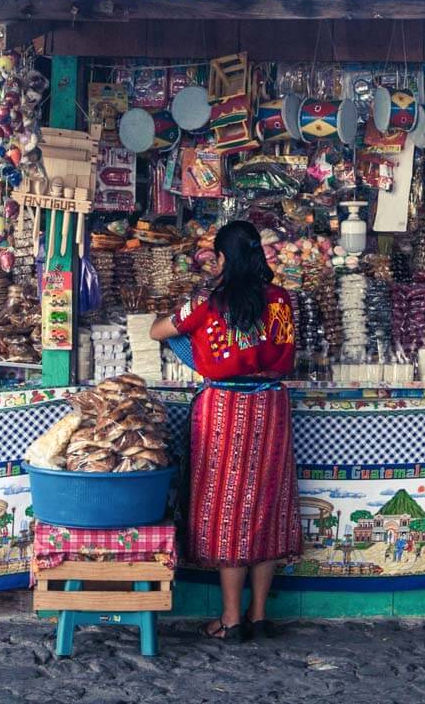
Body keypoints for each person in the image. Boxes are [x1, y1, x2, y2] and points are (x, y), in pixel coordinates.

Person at [150, 220, 300, 643]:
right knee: (267, 505)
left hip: (226, 409)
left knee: (228, 508)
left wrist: (194, 345)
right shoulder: (280, 300)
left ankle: (230, 619)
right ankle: (258, 615)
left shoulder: (208, 301)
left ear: (223, 257)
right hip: (270, 406)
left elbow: (157, 331)